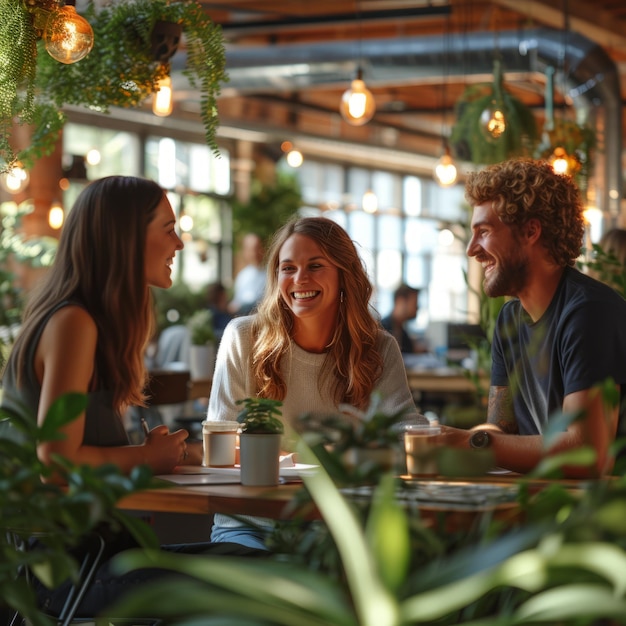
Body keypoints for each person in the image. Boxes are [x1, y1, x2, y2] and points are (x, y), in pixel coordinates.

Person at [0, 176, 264, 619]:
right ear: (124, 237)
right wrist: (145, 458)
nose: (179, 243)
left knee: (257, 565)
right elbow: (55, 464)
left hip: (91, 561)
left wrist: (167, 453)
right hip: (69, 576)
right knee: (267, 580)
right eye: (168, 228)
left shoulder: (82, 321)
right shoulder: (73, 323)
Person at [208, 216, 426, 548]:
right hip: (250, 523)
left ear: (344, 275)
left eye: (315, 266)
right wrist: (323, 461)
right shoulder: (243, 337)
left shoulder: (378, 348)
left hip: (338, 526)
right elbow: (220, 444)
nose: (300, 279)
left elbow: (408, 432)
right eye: (288, 268)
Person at [440, 158, 626, 478]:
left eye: (483, 232)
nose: (472, 249)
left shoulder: (590, 311)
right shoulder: (511, 319)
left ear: (530, 231)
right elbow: (501, 429)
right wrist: (442, 438)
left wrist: (471, 443)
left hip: (603, 516)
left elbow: (587, 454)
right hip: (543, 502)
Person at [228, 232, 267, 316]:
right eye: (250, 249)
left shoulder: (271, 273)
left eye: (256, 248)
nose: (254, 253)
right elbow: (237, 300)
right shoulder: (242, 276)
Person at [380, 284, 423, 353]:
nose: (417, 308)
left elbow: (409, 351)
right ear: (400, 301)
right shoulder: (383, 328)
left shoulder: (401, 330)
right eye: (415, 303)